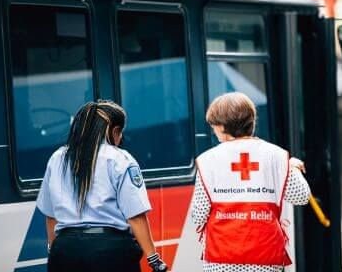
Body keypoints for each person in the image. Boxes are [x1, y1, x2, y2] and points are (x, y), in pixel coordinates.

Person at [36, 100, 168, 272]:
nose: (120, 140)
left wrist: (53, 250)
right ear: (114, 131)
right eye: (120, 134)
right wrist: (154, 259)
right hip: (109, 253)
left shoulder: (57, 158)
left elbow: (50, 216)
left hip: (65, 251)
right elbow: (135, 216)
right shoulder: (120, 159)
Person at [192, 92, 311, 272]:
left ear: (223, 126)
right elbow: (301, 196)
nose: (213, 130)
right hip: (265, 255)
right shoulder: (276, 156)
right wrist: (292, 167)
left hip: (222, 257)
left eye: (214, 125)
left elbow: (198, 215)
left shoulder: (208, 160)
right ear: (252, 121)